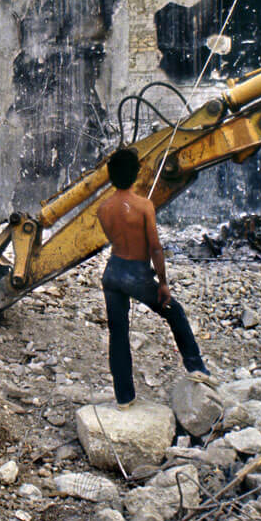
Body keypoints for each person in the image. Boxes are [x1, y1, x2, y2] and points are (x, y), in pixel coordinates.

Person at [96, 147, 212, 410]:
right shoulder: (144, 205)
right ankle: (196, 367)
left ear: (111, 176)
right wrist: (162, 282)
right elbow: (155, 248)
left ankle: (124, 397)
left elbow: (114, 239)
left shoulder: (103, 209)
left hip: (112, 271)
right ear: (137, 174)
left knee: (119, 335)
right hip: (135, 271)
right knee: (175, 312)